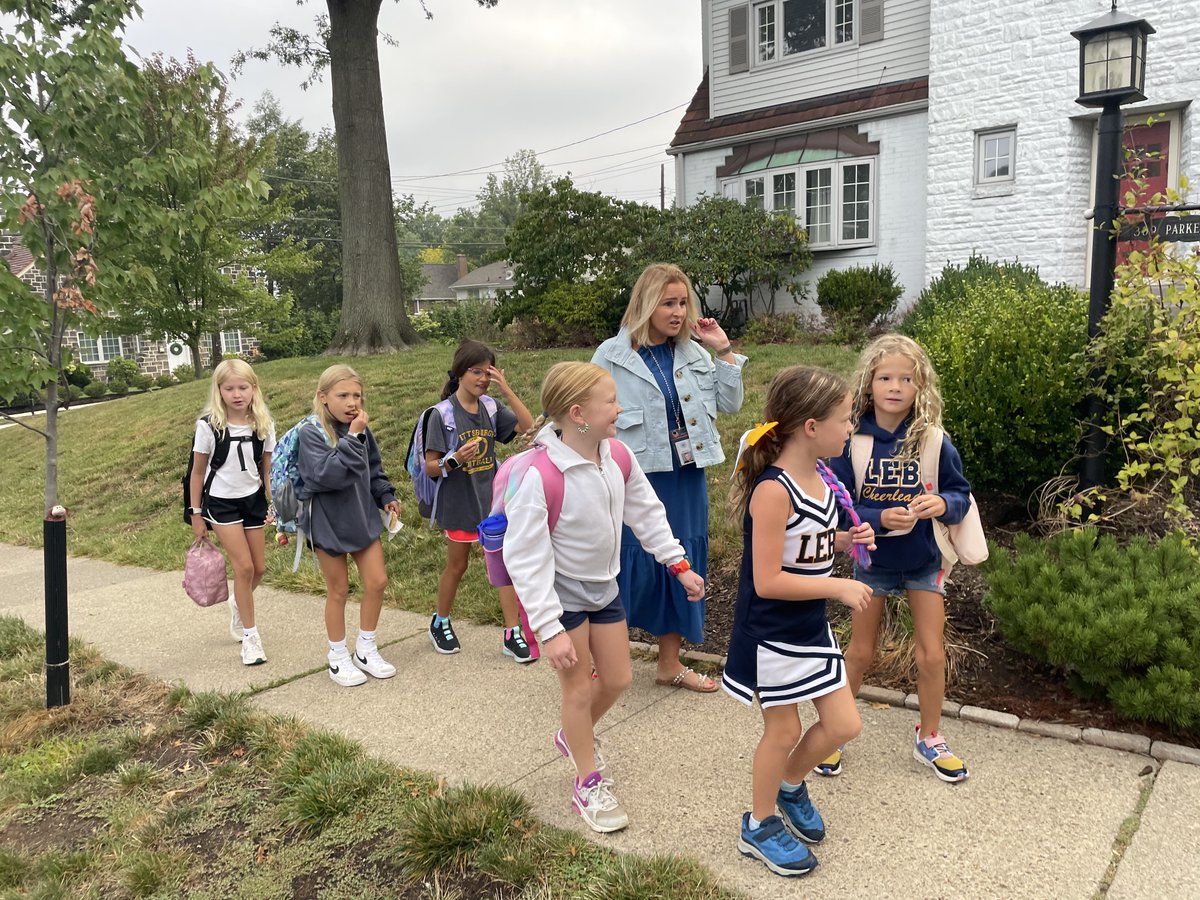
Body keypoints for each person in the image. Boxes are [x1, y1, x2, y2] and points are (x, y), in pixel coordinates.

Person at [503, 361, 705, 834]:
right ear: (578, 413)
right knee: (577, 690)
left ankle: (573, 738)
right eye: (611, 401)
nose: (620, 408)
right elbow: (526, 558)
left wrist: (678, 564)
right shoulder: (542, 474)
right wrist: (549, 629)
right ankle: (586, 781)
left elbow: (646, 512)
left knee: (616, 679)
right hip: (562, 596)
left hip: (604, 587)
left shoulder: (616, 455)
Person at [724, 366, 875, 877]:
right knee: (783, 727)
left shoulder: (824, 481)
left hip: (811, 628)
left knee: (844, 724)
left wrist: (844, 544)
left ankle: (789, 785)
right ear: (811, 427)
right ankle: (759, 823)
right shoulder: (774, 490)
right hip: (771, 633)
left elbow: (806, 545)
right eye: (844, 418)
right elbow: (767, 580)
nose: (850, 426)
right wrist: (838, 585)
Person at [821, 334, 973, 783]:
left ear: (920, 386)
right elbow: (837, 499)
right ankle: (834, 732)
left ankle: (930, 736)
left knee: (931, 654)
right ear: (869, 382)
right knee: (860, 651)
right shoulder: (852, 439)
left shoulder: (933, 440)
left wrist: (941, 505)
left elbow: (960, 494)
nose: (895, 386)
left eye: (906, 379)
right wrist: (876, 516)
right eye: (885, 377)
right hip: (872, 562)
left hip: (924, 561)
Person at [592, 263, 746, 693]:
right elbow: (584, 406)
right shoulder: (612, 355)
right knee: (626, 560)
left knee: (684, 559)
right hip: (635, 471)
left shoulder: (695, 352)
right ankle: (605, 661)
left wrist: (724, 351)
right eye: (668, 303)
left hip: (686, 474)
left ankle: (669, 664)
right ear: (646, 304)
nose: (678, 312)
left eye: (683, 303)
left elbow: (731, 405)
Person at [422, 340, 535, 659]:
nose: (483, 378)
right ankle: (440, 621)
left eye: (488, 372)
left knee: (503, 567)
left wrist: (507, 390)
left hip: (492, 503)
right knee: (456, 566)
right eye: (476, 372)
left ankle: (512, 633)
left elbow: (528, 428)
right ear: (459, 373)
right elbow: (430, 467)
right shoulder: (441, 415)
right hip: (459, 504)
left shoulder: (490, 407)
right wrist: (454, 458)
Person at [298, 364, 403, 687]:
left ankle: (366, 648)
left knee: (377, 581)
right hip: (327, 522)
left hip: (361, 516)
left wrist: (384, 494)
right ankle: (337, 656)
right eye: (343, 395)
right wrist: (354, 434)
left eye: (357, 395)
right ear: (323, 397)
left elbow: (373, 468)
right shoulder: (311, 432)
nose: (352, 402)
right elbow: (324, 475)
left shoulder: (360, 430)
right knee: (339, 589)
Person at [188, 359, 277, 667]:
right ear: (219, 390)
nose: (237, 394)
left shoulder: (263, 424)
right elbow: (197, 473)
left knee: (259, 569)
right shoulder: (209, 426)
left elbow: (268, 470)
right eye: (229, 388)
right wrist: (196, 513)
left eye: (243, 387)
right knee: (243, 568)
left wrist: (274, 503)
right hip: (221, 502)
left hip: (252, 500)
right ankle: (251, 639)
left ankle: (239, 603)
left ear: (254, 389)